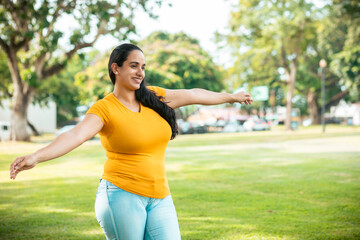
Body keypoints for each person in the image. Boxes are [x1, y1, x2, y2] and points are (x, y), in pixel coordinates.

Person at [9, 43, 253, 240]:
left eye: (143, 67)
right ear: (116, 68)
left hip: (160, 194)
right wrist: (35, 157)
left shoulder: (154, 97)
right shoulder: (104, 108)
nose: (140, 72)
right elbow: (75, 135)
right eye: (134, 66)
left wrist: (230, 96)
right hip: (121, 194)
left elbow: (193, 94)